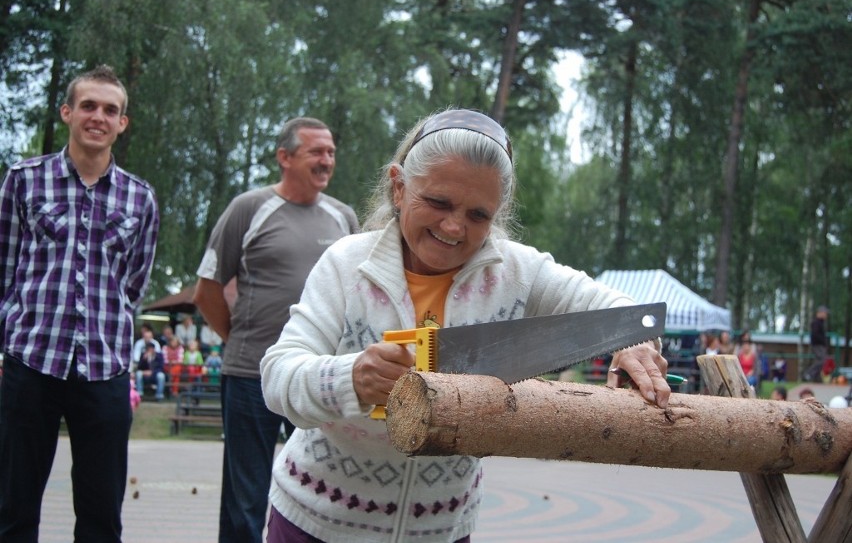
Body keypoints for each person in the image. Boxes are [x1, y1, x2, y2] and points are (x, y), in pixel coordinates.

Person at [260, 108, 670, 542]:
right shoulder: (346, 264)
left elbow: (630, 311)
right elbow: (278, 378)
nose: (454, 226)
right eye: (437, 203)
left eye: (479, 215)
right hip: (317, 522)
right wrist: (351, 378)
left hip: (442, 529)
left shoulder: (518, 272)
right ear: (399, 187)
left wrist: (635, 339)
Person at [0, 64, 159, 541]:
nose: (98, 117)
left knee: (101, 515)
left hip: (105, 369)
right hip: (31, 363)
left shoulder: (141, 198)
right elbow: (4, 271)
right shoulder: (24, 181)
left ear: (122, 123)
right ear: (68, 112)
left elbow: (132, 285)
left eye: (110, 110)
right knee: (13, 507)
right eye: (88, 106)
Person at [193, 116, 359, 543]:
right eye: (316, 152)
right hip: (251, 375)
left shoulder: (343, 218)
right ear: (284, 157)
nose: (327, 160)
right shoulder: (249, 208)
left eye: (331, 152)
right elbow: (207, 290)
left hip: (320, 377)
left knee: (324, 487)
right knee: (245, 498)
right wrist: (240, 344)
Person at [804, 305, 829, 382]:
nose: (826, 315)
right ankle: (808, 373)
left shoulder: (821, 323)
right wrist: (822, 341)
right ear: (820, 313)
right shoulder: (816, 322)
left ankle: (817, 378)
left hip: (820, 345)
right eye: (825, 313)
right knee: (822, 360)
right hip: (818, 345)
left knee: (820, 361)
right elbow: (815, 334)